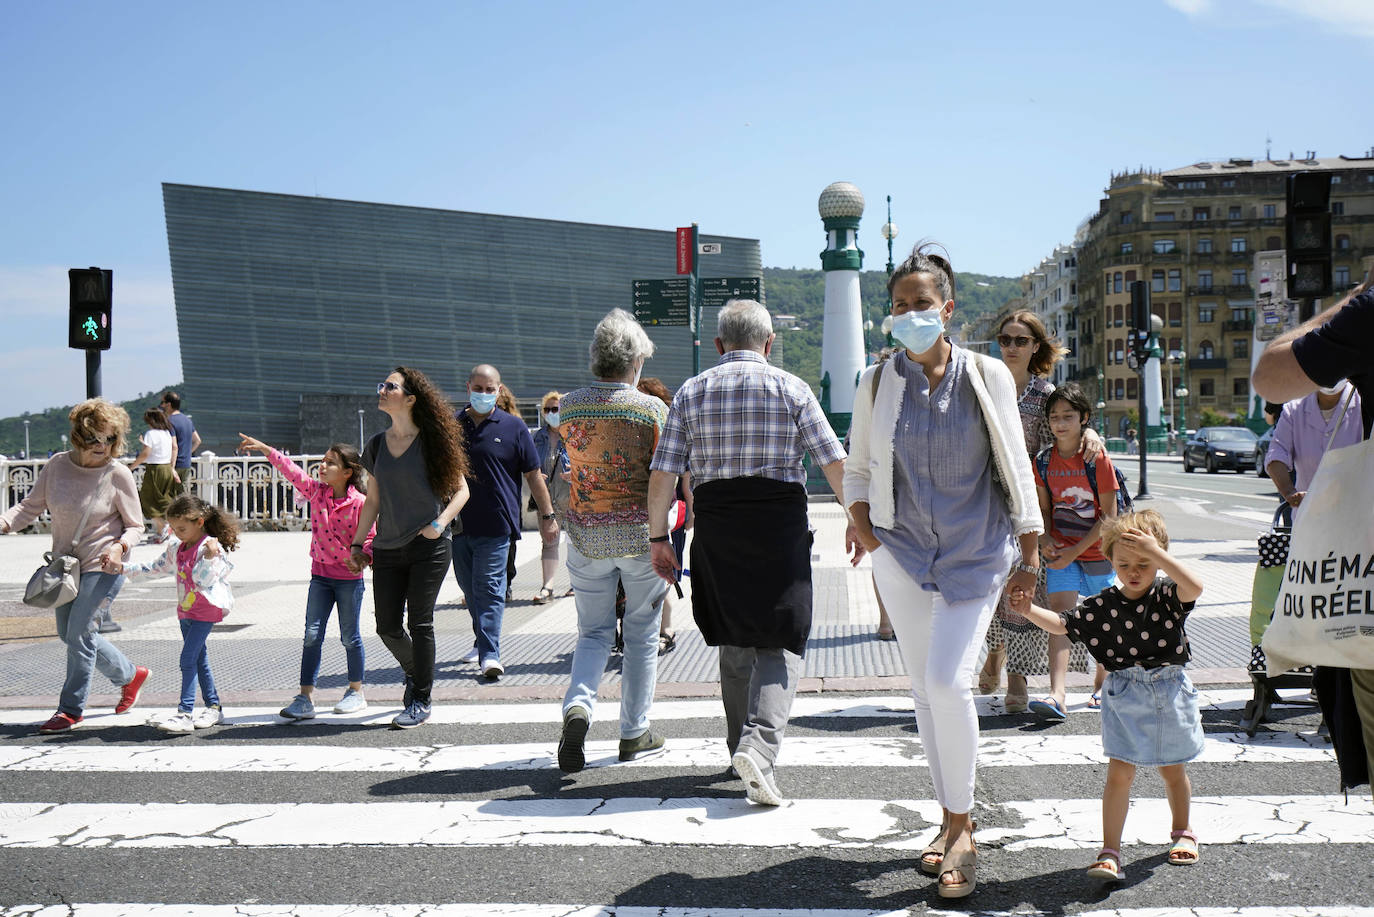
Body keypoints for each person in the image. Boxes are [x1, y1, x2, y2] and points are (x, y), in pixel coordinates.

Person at [844, 246, 1043, 900]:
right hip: (901, 554)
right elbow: (859, 470)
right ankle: (948, 816)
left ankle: (962, 828)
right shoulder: (875, 383)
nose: (909, 314)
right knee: (924, 690)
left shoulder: (988, 374)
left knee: (947, 680)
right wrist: (869, 533)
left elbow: (1015, 462)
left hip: (977, 551)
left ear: (947, 308)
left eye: (921, 304)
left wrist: (1031, 548)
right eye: (898, 305)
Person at [648, 299, 848, 810]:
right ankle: (759, 748)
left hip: (718, 526)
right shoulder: (792, 389)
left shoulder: (691, 392)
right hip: (778, 527)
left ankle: (741, 745)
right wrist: (860, 524)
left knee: (734, 637)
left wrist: (658, 540)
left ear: (718, 346)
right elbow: (834, 464)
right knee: (783, 637)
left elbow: (663, 476)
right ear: (769, 343)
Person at [1010, 509, 1205, 881]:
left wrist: (1160, 555)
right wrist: (1029, 608)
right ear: (1110, 559)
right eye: (1124, 563)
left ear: (1160, 558)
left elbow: (1194, 586)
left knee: (1172, 769)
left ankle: (1183, 832)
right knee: (1119, 773)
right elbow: (1064, 624)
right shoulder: (1104, 604)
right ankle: (1109, 851)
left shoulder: (1167, 595)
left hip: (1168, 688)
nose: (1134, 571)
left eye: (1145, 563)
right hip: (1125, 693)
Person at [1253, 267, 1374, 795]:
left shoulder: (1367, 318)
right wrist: (1290, 493)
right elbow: (1277, 457)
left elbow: (1271, 374)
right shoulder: (1299, 414)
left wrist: (1356, 298)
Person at [555, 310, 671, 772]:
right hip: (642, 536)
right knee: (641, 634)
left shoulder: (569, 406)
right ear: (636, 359)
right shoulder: (652, 409)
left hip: (586, 533)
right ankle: (634, 731)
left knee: (593, 632)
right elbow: (665, 473)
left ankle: (578, 707)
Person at [2, 399, 152, 734]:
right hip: (65, 568)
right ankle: (130, 675)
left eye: (110, 439)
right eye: (96, 439)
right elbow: (30, 507)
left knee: (81, 634)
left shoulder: (117, 474)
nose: (103, 446)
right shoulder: (56, 466)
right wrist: (4, 522)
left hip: (104, 566)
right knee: (69, 636)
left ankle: (70, 709)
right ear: (78, 437)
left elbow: (136, 525)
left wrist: (119, 547)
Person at [979, 310, 1101, 713]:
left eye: (1020, 340)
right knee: (987, 587)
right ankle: (996, 649)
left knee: (1025, 587)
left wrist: (1092, 434)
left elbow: (1069, 429)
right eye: (1005, 339)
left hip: (1032, 506)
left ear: (1035, 347)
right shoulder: (982, 386)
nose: (1011, 347)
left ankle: (1017, 675)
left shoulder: (1046, 395)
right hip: (984, 501)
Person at [353, 367, 471, 729]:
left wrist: (439, 525)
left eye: (390, 386)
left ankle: (420, 697)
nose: (382, 390)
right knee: (386, 627)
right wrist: (359, 542)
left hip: (429, 546)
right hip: (387, 547)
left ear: (410, 398)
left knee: (420, 623)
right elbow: (372, 501)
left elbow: (462, 491)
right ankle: (413, 671)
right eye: (382, 384)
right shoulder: (375, 445)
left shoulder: (433, 442)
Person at [238, 434, 376, 718]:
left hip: (349, 581)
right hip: (320, 577)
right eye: (322, 461)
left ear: (348, 472)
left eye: (330, 463)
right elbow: (291, 470)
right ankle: (305, 698)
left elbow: (372, 538)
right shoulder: (316, 492)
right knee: (312, 636)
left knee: (350, 636)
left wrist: (362, 558)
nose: (322, 466)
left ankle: (356, 691)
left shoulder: (361, 502)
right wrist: (266, 448)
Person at [453, 364, 558, 679]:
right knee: (469, 590)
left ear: (499, 391)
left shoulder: (514, 428)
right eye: (479, 388)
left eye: (490, 389)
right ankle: (482, 638)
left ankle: (490, 653)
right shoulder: (452, 426)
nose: (484, 394)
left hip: (498, 525)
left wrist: (548, 515)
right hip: (458, 525)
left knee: (489, 588)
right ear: (468, 387)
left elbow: (534, 477)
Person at [107, 494, 238, 734]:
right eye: (174, 528)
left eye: (182, 528)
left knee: (187, 660)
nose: (177, 533)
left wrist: (209, 556)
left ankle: (185, 713)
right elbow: (155, 568)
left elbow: (203, 580)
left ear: (199, 522)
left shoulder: (211, 547)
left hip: (206, 610)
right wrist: (122, 568)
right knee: (199, 659)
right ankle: (213, 707)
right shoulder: (177, 547)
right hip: (186, 610)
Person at [1031, 383, 1115, 720]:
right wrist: (1046, 538)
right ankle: (1057, 694)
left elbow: (1108, 516)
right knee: (1060, 621)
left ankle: (1102, 685)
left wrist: (1075, 550)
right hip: (1060, 553)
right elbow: (1044, 509)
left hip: (1099, 554)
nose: (1061, 423)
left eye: (1068, 416)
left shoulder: (1097, 458)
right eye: (1055, 417)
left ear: (1083, 418)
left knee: (1105, 621)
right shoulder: (1045, 460)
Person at [638, 376, 690, 653]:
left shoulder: (670, 424)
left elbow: (686, 477)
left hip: (670, 512)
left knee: (665, 573)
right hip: (638, 515)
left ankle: (665, 630)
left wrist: (691, 511)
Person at [1264, 382, 1363, 521]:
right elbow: (1277, 452)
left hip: (1357, 518)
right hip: (1308, 519)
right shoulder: (1293, 410)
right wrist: (1289, 492)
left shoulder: (1365, 406)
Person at [531, 390, 571, 604]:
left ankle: (576, 584)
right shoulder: (537, 436)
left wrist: (576, 473)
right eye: (547, 409)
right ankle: (548, 586)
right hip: (546, 497)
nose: (551, 413)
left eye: (556, 409)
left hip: (572, 495)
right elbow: (527, 464)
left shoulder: (575, 434)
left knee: (576, 542)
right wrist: (534, 473)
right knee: (549, 541)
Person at [128, 407, 180, 543]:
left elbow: (146, 453)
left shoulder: (151, 434)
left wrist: (132, 467)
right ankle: (161, 531)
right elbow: (174, 448)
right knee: (163, 499)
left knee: (147, 500)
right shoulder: (167, 433)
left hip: (154, 469)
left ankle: (164, 527)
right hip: (166, 468)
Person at [160, 391, 201, 493]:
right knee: (179, 495)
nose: (162, 405)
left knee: (168, 497)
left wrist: (171, 467)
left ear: (169, 404)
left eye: (163, 402)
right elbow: (197, 441)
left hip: (173, 465)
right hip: (186, 464)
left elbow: (173, 446)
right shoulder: (187, 420)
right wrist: (187, 453)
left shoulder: (169, 421)